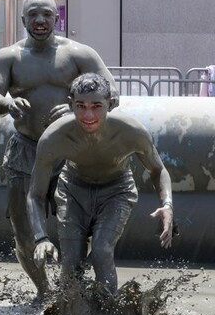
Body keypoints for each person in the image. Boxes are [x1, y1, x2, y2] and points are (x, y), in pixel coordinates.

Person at [0, 0, 118, 300]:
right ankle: (44, 290)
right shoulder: (8, 57)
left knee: (75, 227)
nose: (40, 20)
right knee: (23, 233)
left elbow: (112, 94)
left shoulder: (79, 54)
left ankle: (73, 290)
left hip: (71, 150)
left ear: (56, 18)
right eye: (33, 15)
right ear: (23, 21)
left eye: (46, 14)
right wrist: (7, 101)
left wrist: (76, 110)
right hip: (25, 150)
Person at [28, 73, 174, 294]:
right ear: (71, 105)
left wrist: (167, 204)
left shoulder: (131, 132)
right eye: (81, 106)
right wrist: (41, 237)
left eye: (96, 106)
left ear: (111, 104)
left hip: (117, 190)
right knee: (71, 261)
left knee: (101, 250)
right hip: (73, 190)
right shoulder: (54, 137)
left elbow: (157, 169)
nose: (88, 115)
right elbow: (35, 195)